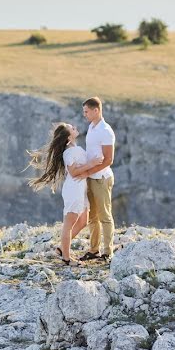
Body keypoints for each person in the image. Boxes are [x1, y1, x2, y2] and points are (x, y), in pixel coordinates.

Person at [26, 122, 104, 266]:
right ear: (68, 138)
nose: (74, 127)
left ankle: (62, 248)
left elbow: (79, 170)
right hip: (74, 190)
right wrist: (92, 163)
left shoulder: (76, 148)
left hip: (81, 188)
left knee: (83, 221)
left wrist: (88, 169)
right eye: (71, 128)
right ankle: (66, 259)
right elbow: (74, 172)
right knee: (69, 224)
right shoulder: (69, 152)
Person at [73, 96, 117, 262]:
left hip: (101, 179)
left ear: (96, 110)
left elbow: (108, 160)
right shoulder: (92, 126)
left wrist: (87, 172)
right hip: (91, 177)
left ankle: (108, 252)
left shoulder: (106, 131)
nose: (84, 115)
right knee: (92, 216)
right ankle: (94, 250)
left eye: (86, 111)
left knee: (105, 216)